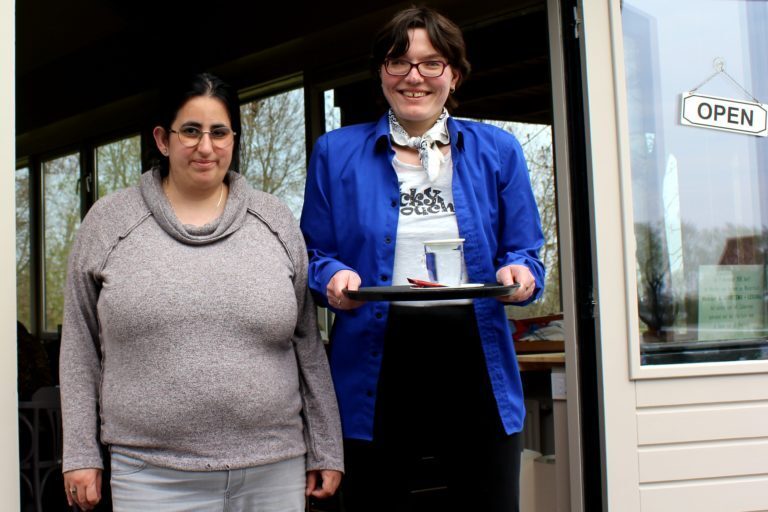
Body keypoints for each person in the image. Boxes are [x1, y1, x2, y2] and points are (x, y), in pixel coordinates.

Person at [60, 72, 343, 512]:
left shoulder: (275, 220)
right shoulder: (110, 222)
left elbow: (307, 341)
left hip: (274, 470)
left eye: (219, 132)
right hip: (151, 474)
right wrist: (80, 453)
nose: (206, 146)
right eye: (190, 131)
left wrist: (326, 446)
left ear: (234, 138)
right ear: (163, 139)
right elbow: (78, 344)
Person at [300, 7, 544, 512]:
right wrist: (333, 277)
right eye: (399, 62)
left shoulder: (498, 150)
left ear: (454, 74)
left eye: (432, 63)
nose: (415, 77)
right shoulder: (335, 152)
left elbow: (526, 251)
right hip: (375, 355)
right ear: (381, 73)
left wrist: (519, 273)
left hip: (476, 352)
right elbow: (313, 255)